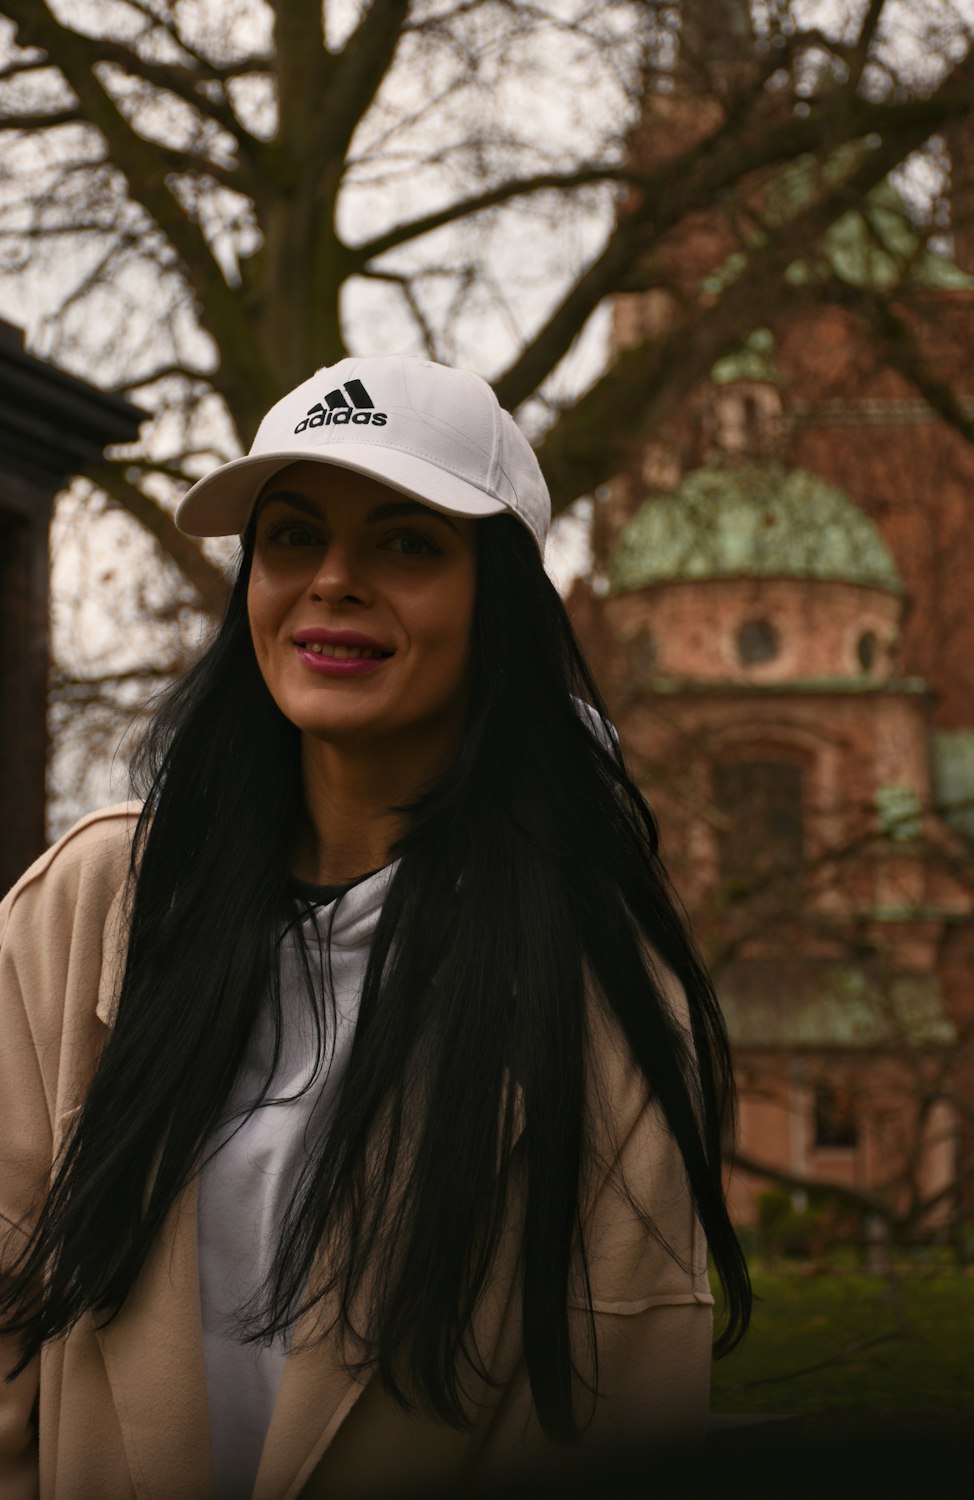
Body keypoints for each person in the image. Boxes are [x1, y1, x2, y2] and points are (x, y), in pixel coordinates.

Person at [0, 356, 751, 1500]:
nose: (333, 582)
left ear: (493, 599)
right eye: (293, 537)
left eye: (405, 543)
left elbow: (616, 1417)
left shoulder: (600, 982)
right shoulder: (86, 906)